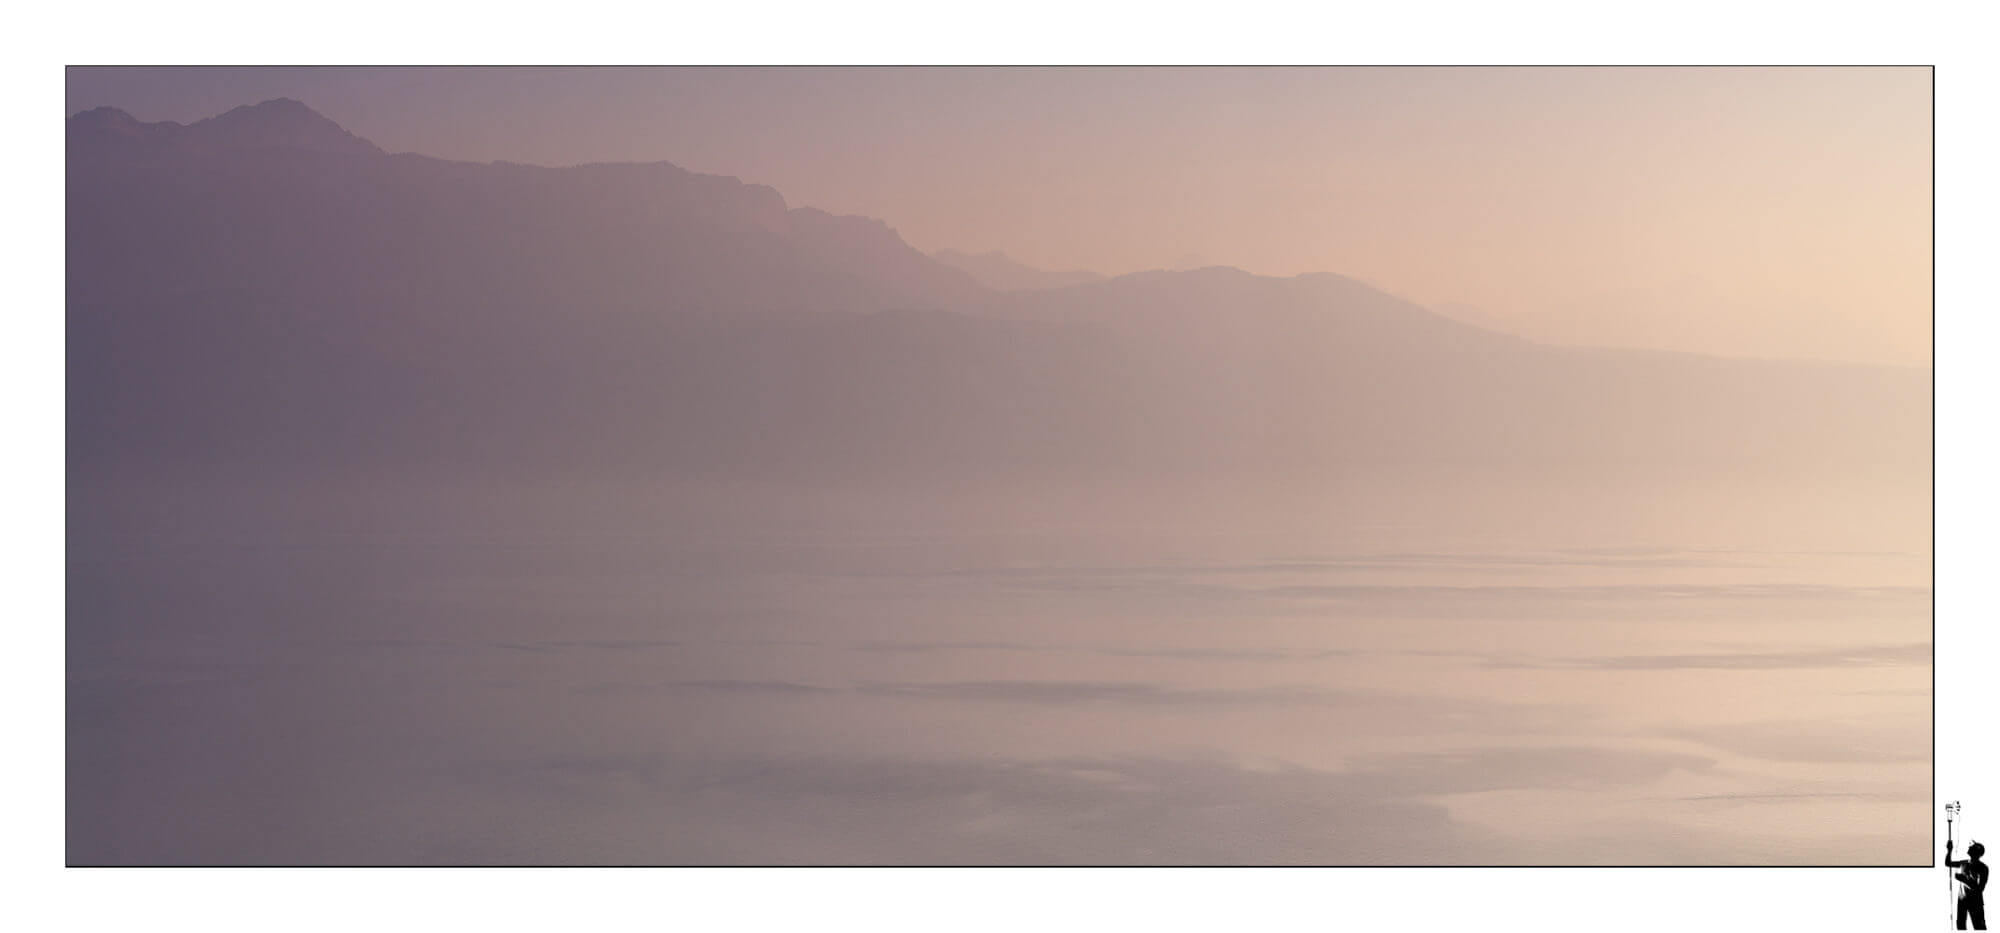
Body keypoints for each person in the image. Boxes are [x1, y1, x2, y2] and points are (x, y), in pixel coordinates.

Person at [1948, 839, 1990, 930]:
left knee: (1979, 927)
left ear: (1976, 852)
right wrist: (1949, 850)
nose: (1969, 847)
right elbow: (1948, 863)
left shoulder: (1983, 868)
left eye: (1971, 847)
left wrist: (1964, 880)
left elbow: (1980, 889)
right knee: (1960, 925)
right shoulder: (1963, 863)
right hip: (1962, 900)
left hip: (1975, 902)